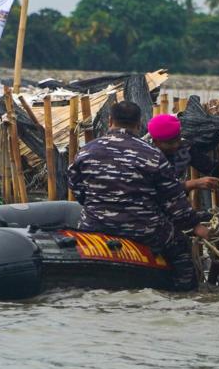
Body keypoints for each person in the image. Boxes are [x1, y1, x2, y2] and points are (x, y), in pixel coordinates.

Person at [68, 101, 210, 291]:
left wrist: (100, 206)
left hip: (95, 226)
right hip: (144, 229)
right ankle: (185, 293)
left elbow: (76, 188)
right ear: (139, 124)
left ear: (110, 120)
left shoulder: (86, 151)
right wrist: (194, 225)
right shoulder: (152, 155)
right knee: (180, 248)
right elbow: (173, 199)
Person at [146, 113, 219, 194]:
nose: (176, 145)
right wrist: (192, 184)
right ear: (155, 141)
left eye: (178, 139)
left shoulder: (184, 148)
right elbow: (158, 192)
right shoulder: (146, 158)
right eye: (170, 143)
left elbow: (210, 168)